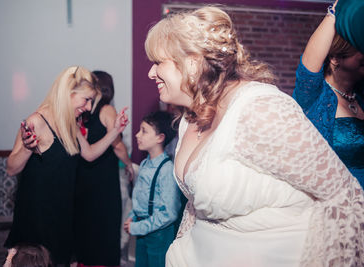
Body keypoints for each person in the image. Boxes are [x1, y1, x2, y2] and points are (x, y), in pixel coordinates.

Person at [144, 6, 364, 267]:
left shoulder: (260, 108)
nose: (150, 73)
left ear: (191, 61)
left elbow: (345, 197)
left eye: (158, 62)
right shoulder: (189, 120)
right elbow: (197, 202)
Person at [5, 66, 128, 266]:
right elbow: (11, 168)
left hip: (63, 211)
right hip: (38, 216)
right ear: (68, 93)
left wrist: (114, 132)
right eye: (86, 99)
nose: (89, 107)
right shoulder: (37, 120)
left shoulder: (70, 122)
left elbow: (88, 154)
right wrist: (27, 148)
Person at [293, 1, 364, 187]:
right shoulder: (313, 96)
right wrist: (337, 10)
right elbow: (308, 66)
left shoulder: (361, 96)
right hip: (336, 199)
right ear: (335, 58)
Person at [74, 70, 134, 267]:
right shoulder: (107, 110)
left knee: (86, 225)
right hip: (103, 180)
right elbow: (117, 145)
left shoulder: (83, 113)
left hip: (83, 176)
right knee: (105, 225)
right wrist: (128, 164)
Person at [123, 111, 181, 267]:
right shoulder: (144, 164)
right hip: (142, 231)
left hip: (159, 234)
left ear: (160, 138)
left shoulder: (166, 169)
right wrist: (132, 216)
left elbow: (169, 213)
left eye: (144, 131)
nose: (137, 135)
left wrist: (138, 227)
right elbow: (139, 198)